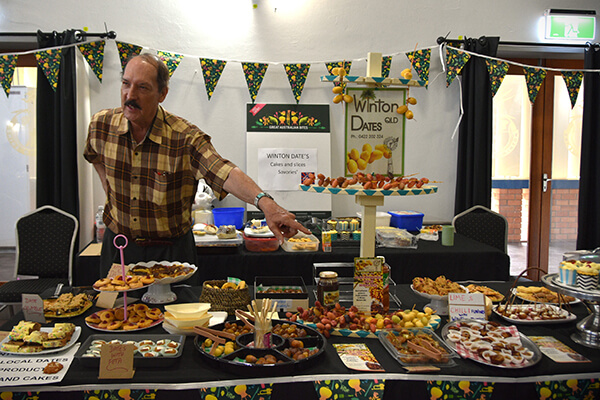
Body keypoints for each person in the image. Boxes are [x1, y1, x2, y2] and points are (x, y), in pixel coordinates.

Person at [84, 53, 309, 276]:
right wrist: (109, 190)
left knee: (176, 312)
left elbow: (223, 171)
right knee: (114, 311)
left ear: (162, 94)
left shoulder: (185, 137)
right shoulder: (100, 125)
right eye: (126, 84)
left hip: (170, 254)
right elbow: (94, 157)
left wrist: (267, 205)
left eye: (142, 88)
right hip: (119, 249)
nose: (129, 95)